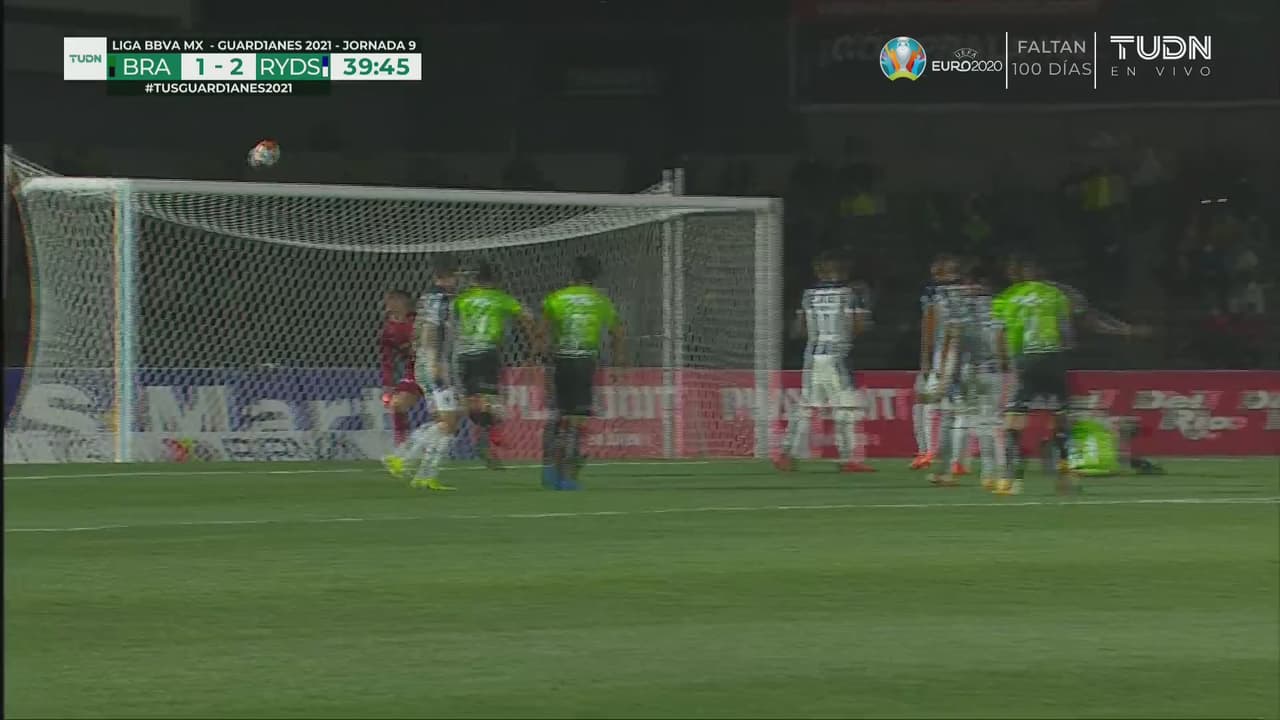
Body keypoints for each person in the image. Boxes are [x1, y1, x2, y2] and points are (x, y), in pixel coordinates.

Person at [775, 251, 874, 473]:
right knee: (846, 406)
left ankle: (786, 453)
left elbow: (799, 328)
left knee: (806, 406)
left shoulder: (808, 295)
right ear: (843, 271)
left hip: (813, 356)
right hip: (837, 355)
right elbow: (859, 326)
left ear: (818, 271)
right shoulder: (850, 293)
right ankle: (848, 459)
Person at [991, 255, 1074, 495]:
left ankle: (1011, 477)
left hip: (1027, 360)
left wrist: (1005, 363)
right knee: (1060, 413)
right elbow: (1066, 332)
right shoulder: (1057, 295)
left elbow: (1001, 334)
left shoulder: (1007, 298)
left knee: (1014, 417)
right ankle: (1065, 473)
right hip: (1054, 358)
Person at [540, 255, 625, 490]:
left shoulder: (556, 298)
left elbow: (541, 333)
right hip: (584, 362)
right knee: (577, 419)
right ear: (595, 276)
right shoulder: (601, 301)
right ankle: (567, 478)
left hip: (560, 360)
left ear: (572, 274)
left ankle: (549, 471)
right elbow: (618, 333)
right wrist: (618, 364)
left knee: (558, 414)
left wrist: (541, 360)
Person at [383, 255, 461, 491]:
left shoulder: (427, 298)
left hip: (425, 362)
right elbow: (430, 332)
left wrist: (423, 356)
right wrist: (434, 360)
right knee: (448, 422)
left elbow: (418, 330)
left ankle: (426, 475)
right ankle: (401, 456)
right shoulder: (442, 299)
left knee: (445, 422)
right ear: (452, 275)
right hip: (434, 364)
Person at [452, 260, 538, 469]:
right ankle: (493, 435)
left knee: (473, 400)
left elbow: (452, 322)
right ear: (496, 279)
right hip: (486, 352)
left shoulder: (462, 299)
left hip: (463, 353)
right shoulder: (502, 298)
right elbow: (527, 318)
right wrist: (533, 347)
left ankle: (481, 436)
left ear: (475, 278)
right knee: (491, 400)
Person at [931, 263, 1007, 488]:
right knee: (990, 422)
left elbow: (952, 340)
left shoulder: (959, 305)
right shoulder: (999, 305)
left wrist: (945, 373)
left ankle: (952, 471)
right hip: (992, 371)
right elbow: (1002, 339)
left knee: (963, 419)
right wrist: (1005, 365)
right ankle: (992, 474)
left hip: (968, 370)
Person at [380, 289, 421, 447]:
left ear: (403, 302)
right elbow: (387, 360)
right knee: (397, 404)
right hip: (415, 370)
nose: (388, 304)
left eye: (392, 300)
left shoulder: (420, 321)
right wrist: (387, 385)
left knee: (446, 416)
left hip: (437, 367)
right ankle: (402, 447)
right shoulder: (389, 330)